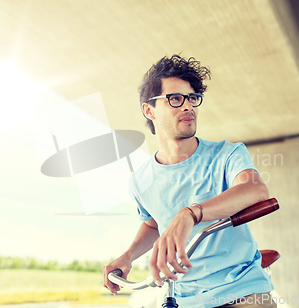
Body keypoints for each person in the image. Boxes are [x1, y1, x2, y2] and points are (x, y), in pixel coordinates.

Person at [103, 55, 276, 308]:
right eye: (175, 99)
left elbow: (255, 190)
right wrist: (127, 257)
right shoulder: (140, 181)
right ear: (149, 110)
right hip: (184, 298)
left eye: (192, 98)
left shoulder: (227, 154)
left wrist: (191, 213)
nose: (188, 106)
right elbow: (154, 224)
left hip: (242, 291)